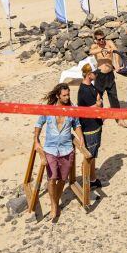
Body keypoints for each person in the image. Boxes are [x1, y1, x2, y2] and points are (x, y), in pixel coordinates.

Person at [34, 83, 83, 222]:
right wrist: (36, 140)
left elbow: (77, 124)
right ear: (57, 95)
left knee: (62, 179)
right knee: (52, 178)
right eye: (64, 95)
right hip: (50, 149)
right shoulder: (48, 109)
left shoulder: (72, 109)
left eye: (68, 95)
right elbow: (38, 124)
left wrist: (81, 138)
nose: (67, 97)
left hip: (67, 149)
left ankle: (55, 200)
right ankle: (54, 205)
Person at [91, 29, 127, 127]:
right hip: (100, 75)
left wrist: (116, 63)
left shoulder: (109, 43)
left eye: (103, 38)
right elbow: (91, 51)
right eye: (99, 40)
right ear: (96, 40)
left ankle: (119, 119)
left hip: (110, 74)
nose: (102, 41)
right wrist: (102, 49)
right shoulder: (95, 46)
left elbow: (116, 52)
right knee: (98, 97)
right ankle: (99, 117)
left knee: (114, 97)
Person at [76, 64, 105, 189]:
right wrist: (98, 104)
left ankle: (92, 179)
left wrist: (98, 103)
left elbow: (99, 101)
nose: (96, 75)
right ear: (89, 74)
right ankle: (86, 183)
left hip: (95, 125)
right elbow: (93, 107)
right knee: (89, 157)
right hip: (90, 129)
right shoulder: (84, 90)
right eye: (94, 73)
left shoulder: (90, 86)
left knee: (93, 156)